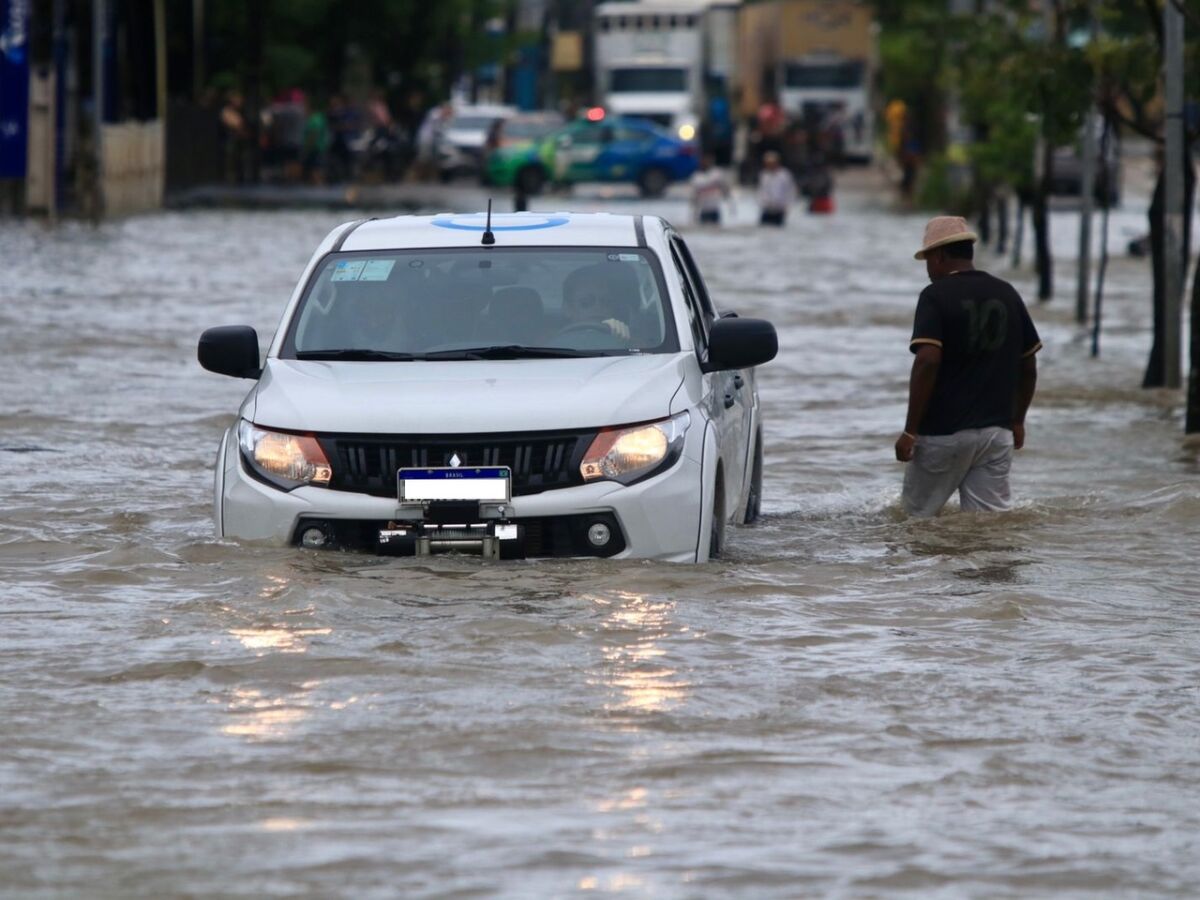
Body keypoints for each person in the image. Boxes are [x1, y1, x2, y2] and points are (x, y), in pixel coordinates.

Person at [895, 216, 1042, 517]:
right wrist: (1017, 420)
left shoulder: (934, 296)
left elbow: (927, 361)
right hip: (996, 435)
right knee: (988, 527)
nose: (928, 269)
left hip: (943, 433)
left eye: (927, 260)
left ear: (939, 256)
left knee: (914, 523)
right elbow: (1028, 363)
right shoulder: (1007, 293)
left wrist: (910, 431)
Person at [560, 264, 632, 341]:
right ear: (567, 309)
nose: (598, 307)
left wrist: (622, 340)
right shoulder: (550, 344)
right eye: (586, 302)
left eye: (606, 302)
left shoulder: (634, 344)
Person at [690, 153, 733, 225]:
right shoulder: (697, 177)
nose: (706, 163)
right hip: (704, 211)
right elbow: (694, 197)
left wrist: (730, 205)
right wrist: (694, 214)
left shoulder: (717, 174)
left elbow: (725, 189)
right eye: (704, 161)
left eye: (708, 161)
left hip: (714, 210)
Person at [756, 150, 796, 226]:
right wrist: (761, 202)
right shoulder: (764, 175)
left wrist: (787, 205)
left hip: (779, 208)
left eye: (772, 163)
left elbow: (791, 190)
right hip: (766, 208)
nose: (770, 165)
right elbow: (761, 190)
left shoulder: (785, 175)